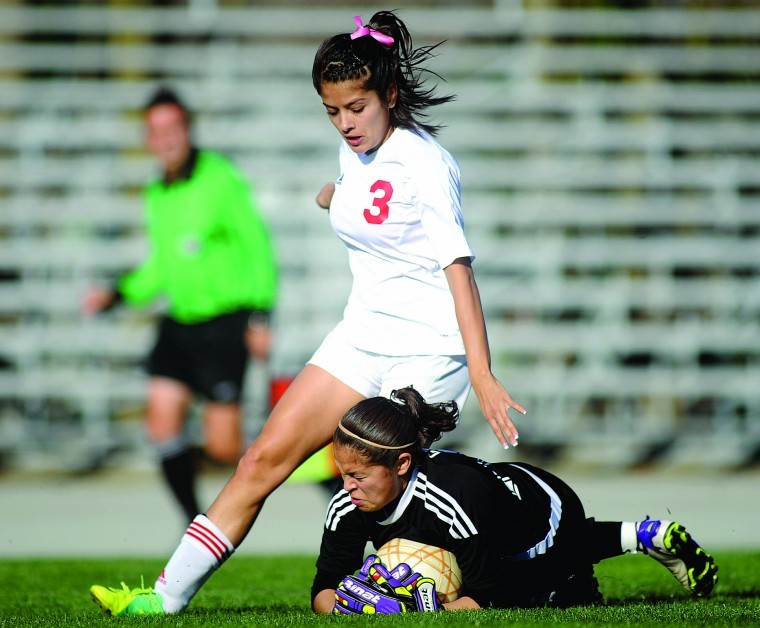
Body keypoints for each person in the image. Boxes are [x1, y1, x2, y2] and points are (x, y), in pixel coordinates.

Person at [89, 11, 525, 616]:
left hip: (428, 351)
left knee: (387, 488)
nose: (346, 123)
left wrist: (480, 372)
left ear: (389, 96)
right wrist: (333, 195)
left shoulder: (426, 165)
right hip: (361, 338)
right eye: (333, 111)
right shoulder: (357, 153)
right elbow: (362, 197)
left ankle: (481, 581)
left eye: (357, 107)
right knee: (261, 458)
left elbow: (459, 269)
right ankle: (162, 601)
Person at [312, 387, 719, 613]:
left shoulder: (454, 502)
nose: (346, 487)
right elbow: (323, 590)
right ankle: (648, 533)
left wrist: (415, 614)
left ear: (402, 464)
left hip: (538, 510)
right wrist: (354, 608)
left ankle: (641, 538)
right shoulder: (347, 506)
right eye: (341, 473)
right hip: (493, 511)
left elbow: (486, 598)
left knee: (547, 591)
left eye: (357, 475)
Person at [82, 86, 278, 523]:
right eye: (156, 130)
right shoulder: (157, 194)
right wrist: (117, 293)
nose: (166, 138)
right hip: (179, 325)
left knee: (225, 448)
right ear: (148, 140)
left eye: (173, 127)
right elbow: (163, 266)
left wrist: (262, 315)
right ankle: (193, 523)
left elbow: (256, 245)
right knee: (161, 421)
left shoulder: (220, 177)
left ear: (187, 130)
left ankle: (316, 466)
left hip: (224, 324)